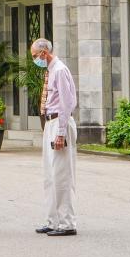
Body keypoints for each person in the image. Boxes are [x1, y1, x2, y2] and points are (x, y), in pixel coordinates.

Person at [31, 38, 78, 237]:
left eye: (34, 56)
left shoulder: (59, 70)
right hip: (50, 122)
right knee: (49, 176)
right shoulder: (50, 71)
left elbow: (67, 103)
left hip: (60, 122)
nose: (34, 59)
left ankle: (67, 223)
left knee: (62, 175)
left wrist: (60, 133)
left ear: (44, 53)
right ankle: (53, 221)